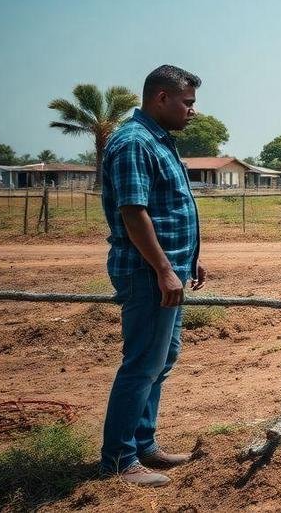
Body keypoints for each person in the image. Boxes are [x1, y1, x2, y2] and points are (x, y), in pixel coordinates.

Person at [99, 65, 206, 486]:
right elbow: (133, 212)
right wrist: (163, 268)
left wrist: (189, 258)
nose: (192, 111)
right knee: (142, 364)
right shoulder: (133, 142)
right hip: (148, 274)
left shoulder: (159, 140)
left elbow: (166, 209)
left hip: (169, 270)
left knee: (161, 361)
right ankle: (119, 460)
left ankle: (143, 443)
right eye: (187, 102)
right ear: (160, 98)